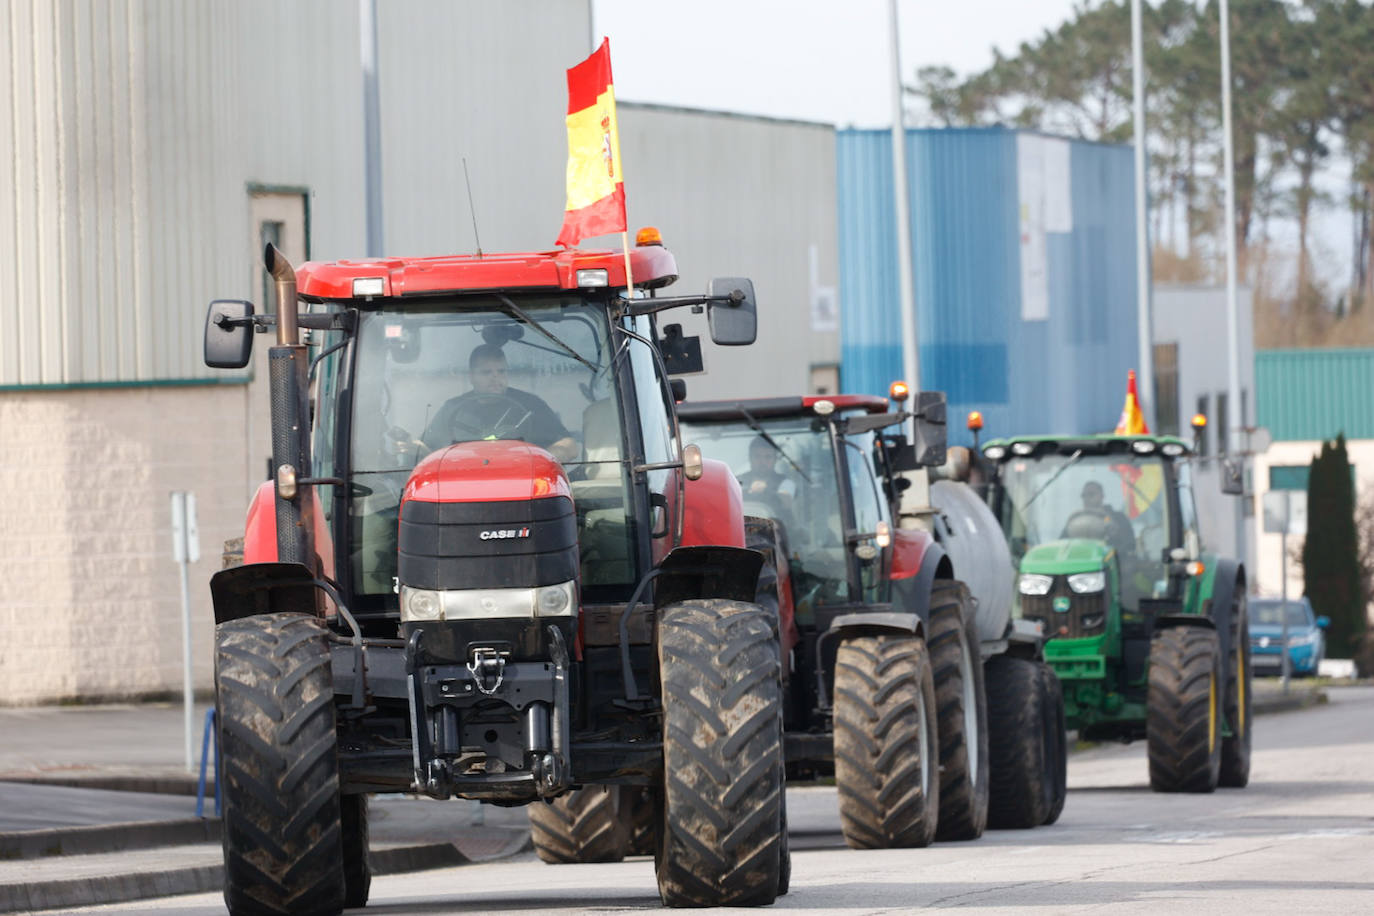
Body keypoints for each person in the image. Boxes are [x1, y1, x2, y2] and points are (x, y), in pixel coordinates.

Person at [420, 344, 579, 462]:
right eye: (486, 372)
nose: (495, 377)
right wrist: (410, 448)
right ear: (471, 376)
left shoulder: (531, 405)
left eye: (501, 371)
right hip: (464, 481)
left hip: (523, 480)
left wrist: (541, 460)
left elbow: (569, 446)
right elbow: (425, 447)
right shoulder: (452, 408)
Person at [1068, 481, 1136, 556]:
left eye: (1091, 494)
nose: (1086, 498)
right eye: (1083, 496)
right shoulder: (1074, 523)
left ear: (1102, 496)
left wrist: (1114, 535)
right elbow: (1062, 543)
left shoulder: (1118, 518)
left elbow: (1129, 545)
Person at [737, 436, 797, 518]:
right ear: (750, 458)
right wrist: (748, 491)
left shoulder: (786, 483)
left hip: (776, 529)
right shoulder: (736, 481)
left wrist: (765, 490)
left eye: (768, 457)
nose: (762, 462)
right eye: (757, 456)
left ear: (775, 460)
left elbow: (786, 501)